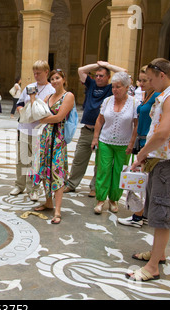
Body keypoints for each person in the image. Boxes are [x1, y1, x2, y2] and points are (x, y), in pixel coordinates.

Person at [127, 58, 170, 282]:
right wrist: (148, 156)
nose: (149, 83)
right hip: (160, 162)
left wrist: (142, 153)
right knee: (155, 210)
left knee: (163, 213)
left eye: (151, 79)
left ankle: (153, 267)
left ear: (162, 74)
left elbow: (162, 133)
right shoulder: (165, 96)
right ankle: (158, 254)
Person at [63, 61, 126, 197]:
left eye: (102, 76)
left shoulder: (111, 88)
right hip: (87, 130)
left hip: (103, 131)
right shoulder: (91, 84)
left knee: (100, 162)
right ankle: (72, 184)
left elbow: (124, 73)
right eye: (97, 75)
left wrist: (108, 65)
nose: (98, 78)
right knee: (79, 158)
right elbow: (80, 70)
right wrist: (97, 65)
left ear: (108, 77)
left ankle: (95, 187)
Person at [118, 66, 160, 227]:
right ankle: (143, 214)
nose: (141, 83)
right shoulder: (146, 95)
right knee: (144, 179)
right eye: (140, 80)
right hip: (142, 141)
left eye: (145, 80)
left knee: (142, 181)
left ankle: (138, 216)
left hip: (148, 143)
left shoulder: (157, 96)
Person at [32, 69, 75, 224]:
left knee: (57, 171)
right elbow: (35, 113)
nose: (55, 81)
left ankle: (57, 210)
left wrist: (43, 119)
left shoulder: (68, 96)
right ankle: (48, 202)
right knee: (44, 169)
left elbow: (59, 117)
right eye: (52, 79)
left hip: (57, 138)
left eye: (57, 78)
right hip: (45, 137)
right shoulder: (48, 96)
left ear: (63, 79)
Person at [91, 72, 138, 214]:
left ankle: (114, 199)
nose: (115, 90)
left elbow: (136, 124)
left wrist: (131, 143)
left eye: (118, 87)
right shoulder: (107, 101)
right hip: (105, 140)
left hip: (124, 143)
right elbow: (100, 120)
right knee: (103, 169)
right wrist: (95, 137)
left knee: (119, 171)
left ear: (126, 87)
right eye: (113, 87)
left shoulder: (134, 103)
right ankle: (100, 199)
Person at [10, 60, 55, 200]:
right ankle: (19, 185)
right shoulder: (29, 87)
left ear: (46, 72)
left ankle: (33, 188)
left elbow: (51, 110)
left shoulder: (51, 90)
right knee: (22, 159)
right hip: (24, 128)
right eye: (34, 73)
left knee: (35, 161)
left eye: (39, 73)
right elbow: (20, 103)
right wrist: (22, 111)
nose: (35, 75)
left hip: (40, 130)